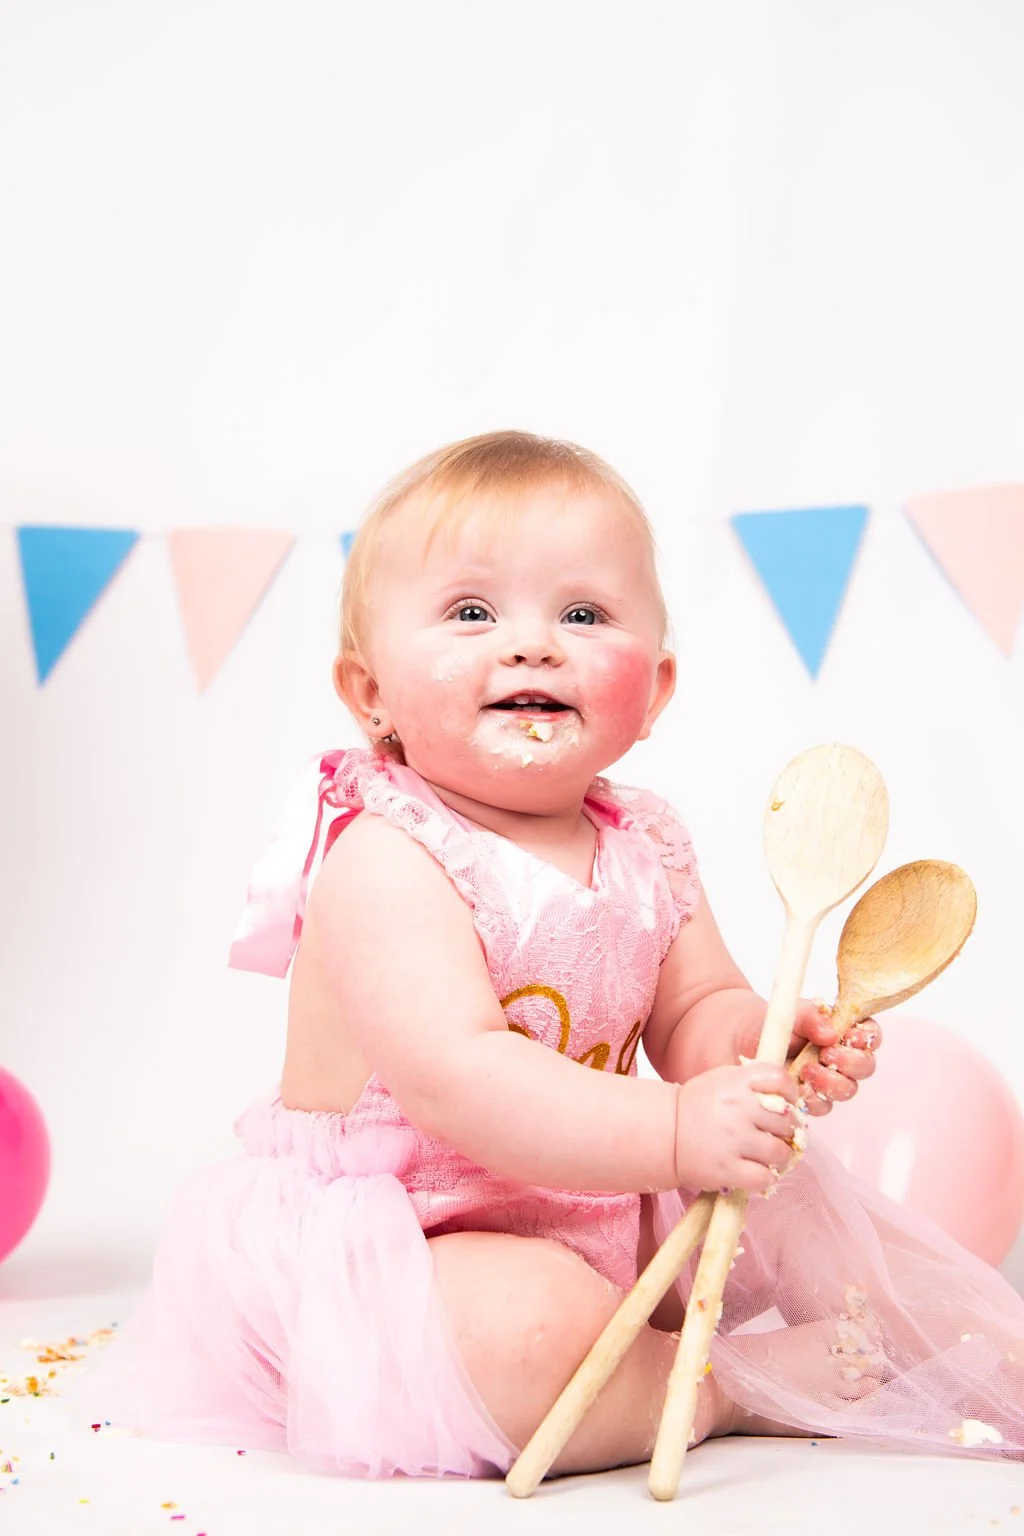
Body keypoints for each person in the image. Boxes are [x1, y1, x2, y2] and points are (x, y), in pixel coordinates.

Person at [98, 431, 1024, 1478]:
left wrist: (759, 1043)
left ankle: (975, 1363)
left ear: (655, 689)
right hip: (418, 1243)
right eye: (469, 612)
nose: (532, 645)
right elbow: (462, 1079)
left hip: (601, 1196)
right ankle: (721, 1387)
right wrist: (678, 1129)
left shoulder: (648, 843)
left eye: (582, 615)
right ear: (369, 694)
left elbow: (693, 1009)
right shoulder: (388, 857)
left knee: (795, 1201)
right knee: (521, 1328)